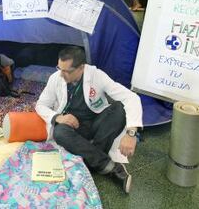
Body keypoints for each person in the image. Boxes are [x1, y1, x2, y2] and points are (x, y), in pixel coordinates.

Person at [36, 45, 143, 194]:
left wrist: (131, 134)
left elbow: (131, 98)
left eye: (67, 71)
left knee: (118, 109)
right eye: (59, 68)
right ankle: (111, 167)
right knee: (59, 132)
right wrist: (58, 117)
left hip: (97, 125)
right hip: (74, 128)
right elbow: (40, 105)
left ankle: (91, 159)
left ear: (81, 68)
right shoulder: (56, 78)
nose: (62, 74)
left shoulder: (97, 75)